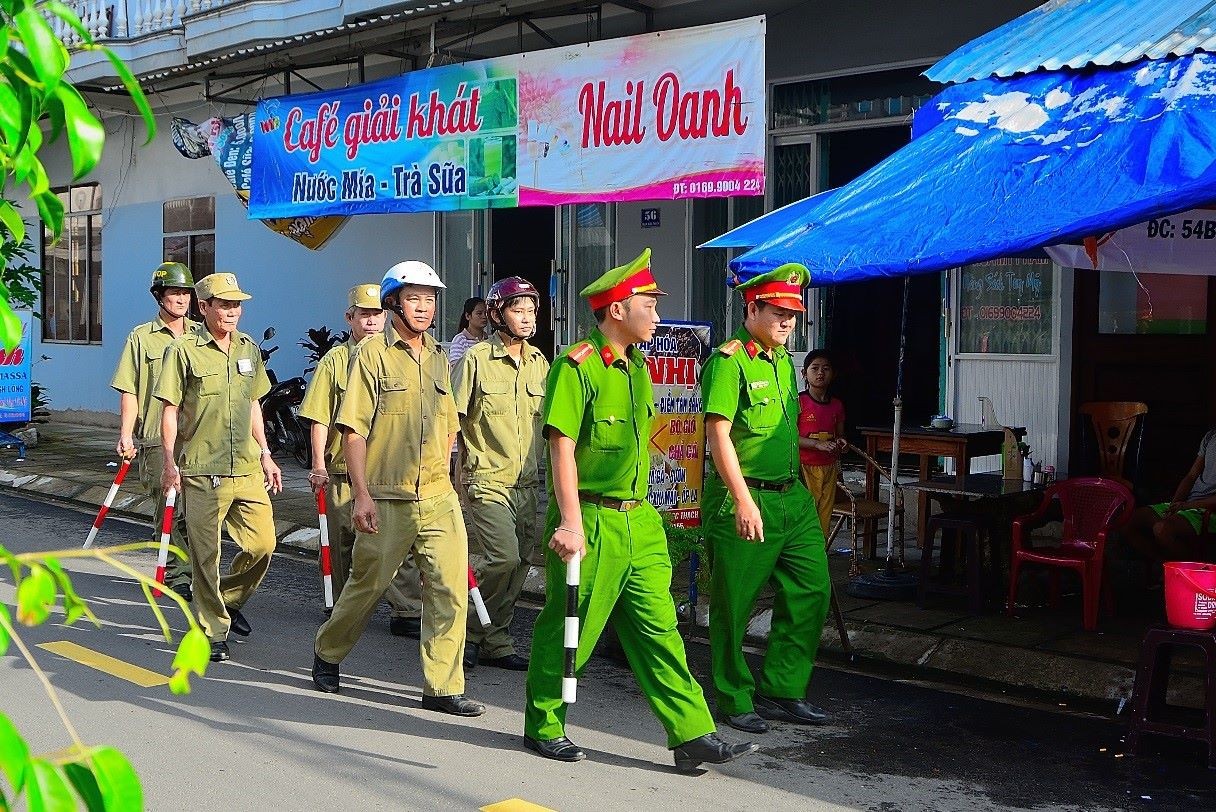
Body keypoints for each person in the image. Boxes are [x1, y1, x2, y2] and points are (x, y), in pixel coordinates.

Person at [523, 248, 758, 773]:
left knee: (660, 628)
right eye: (648, 304)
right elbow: (561, 447)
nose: (656, 314)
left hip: (641, 518)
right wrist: (569, 522)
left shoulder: (636, 368)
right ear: (616, 311)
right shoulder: (577, 366)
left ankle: (692, 732)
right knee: (571, 627)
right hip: (593, 517)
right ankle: (544, 723)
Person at [312, 261, 485, 718]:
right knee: (368, 584)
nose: (425, 307)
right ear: (393, 303)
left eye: (430, 299)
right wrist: (362, 495)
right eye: (415, 298)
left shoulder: (439, 357)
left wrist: (451, 481)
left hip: (437, 495)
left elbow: (450, 425)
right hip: (386, 495)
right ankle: (328, 652)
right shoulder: (371, 356)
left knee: (449, 588)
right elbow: (353, 431)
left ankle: (443, 686)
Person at [700, 264, 833, 735]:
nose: (787, 322)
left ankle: (782, 688)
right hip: (744, 494)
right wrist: (741, 499)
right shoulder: (728, 360)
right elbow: (718, 434)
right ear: (751, 307)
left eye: (794, 315)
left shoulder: (783, 361)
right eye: (778, 312)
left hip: (790, 495)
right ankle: (733, 696)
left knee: (812, 589)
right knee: (733, 605)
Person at [155, 272, 282, 663]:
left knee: (263, 545)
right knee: (205, 555)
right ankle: (212, 630)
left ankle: (226, 599)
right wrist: (169, 463)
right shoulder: (184, 350)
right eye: (223, 304)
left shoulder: (248, 348)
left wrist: (266, 452)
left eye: (236, 305)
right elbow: (170, 410)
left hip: (245, 466)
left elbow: (253, 404)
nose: (232, 312)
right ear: (203, 306)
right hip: (202, 468)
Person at [298, 286, 423, 634]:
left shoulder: (399, 355)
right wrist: (318, 465)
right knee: (343, 544)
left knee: (399, 543)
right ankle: (343, 609)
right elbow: (320, 417)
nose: (372, 321)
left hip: (386, 472)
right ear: (349, 317)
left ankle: (407, 610)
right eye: (364, 314)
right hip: (341, 471)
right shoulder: (335, 361)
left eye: (378, 313)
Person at [452, 276, 549, 671]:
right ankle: (468, 629)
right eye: (517, 310)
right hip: (486, 478)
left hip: (527, 483)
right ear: (497, 314)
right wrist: (446, 473)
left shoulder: (540, 363)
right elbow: (451, 420)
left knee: (521, 564)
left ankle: (496, 639)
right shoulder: (475, 360)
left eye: (531, 311)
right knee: (502, 559)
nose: (526, 318)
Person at [110, 262, 197, 600]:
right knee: (169, 506)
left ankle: (193, 569)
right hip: (156, 438)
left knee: (197, 509)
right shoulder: (141, 337)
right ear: (159, 296)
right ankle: (177, 573)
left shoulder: (200, 336)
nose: (181, 298)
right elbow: (129, 390)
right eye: (175, 292)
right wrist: (126, 433)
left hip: (195, 436)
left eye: (186, 292)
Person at [1121, 429, 1216, 564]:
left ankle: (1192, 572)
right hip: (1188, 504)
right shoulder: (1211, 435)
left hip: (1209, 511)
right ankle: (1164, 566)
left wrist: (1186, 506)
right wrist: (1175, 504)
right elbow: (1191, 475)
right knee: (1126, 521)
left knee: (1162, 529)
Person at [798, 350, 847, 538]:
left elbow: (839, 435)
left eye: (826, 369)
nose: (820, 373)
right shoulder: (799, 402)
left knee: (824, 518)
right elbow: (791, 437)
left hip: (829, 468)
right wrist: (816, 445)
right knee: (806, 516)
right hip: (805, 468)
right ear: (804, 373)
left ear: (832, 374)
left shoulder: (837, 405)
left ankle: (820, 556)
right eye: (815, 368)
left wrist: (841, 442)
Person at [448, 297, 487, 370]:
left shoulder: (489, 339)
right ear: (468, 316)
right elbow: (457, 368)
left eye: (486, 313)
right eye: (479, 313)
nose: (484, 316)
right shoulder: (460, 340)